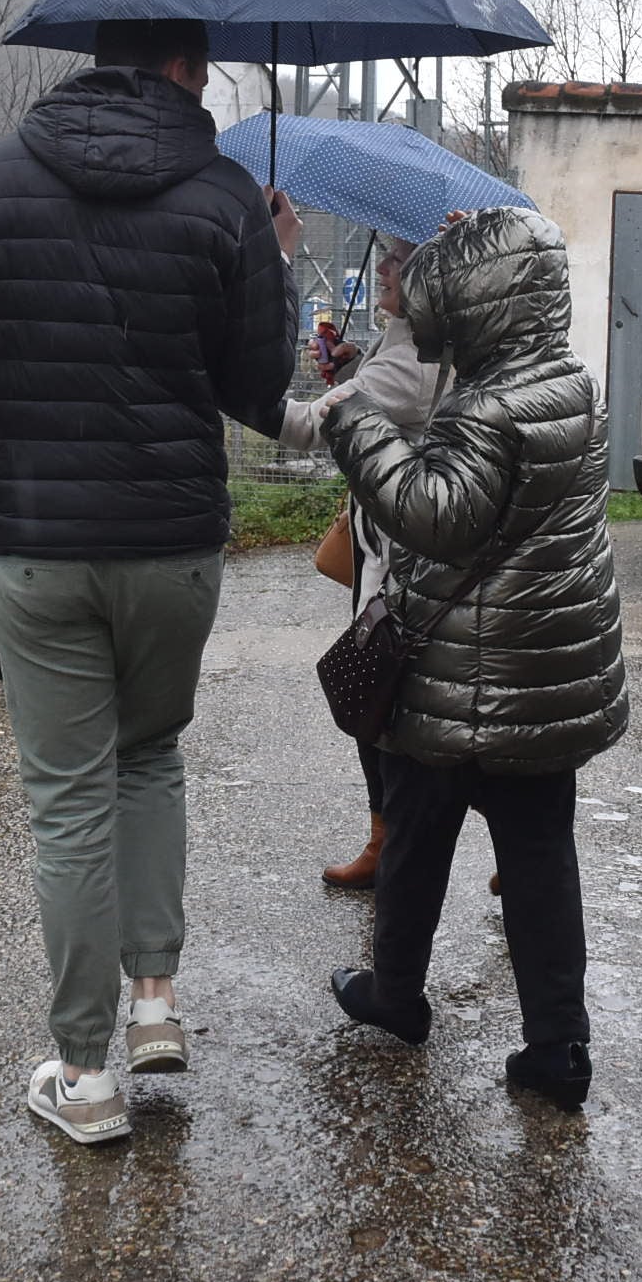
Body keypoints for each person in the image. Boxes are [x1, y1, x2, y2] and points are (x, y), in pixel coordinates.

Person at [0, 16, 299, 1146]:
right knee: (151, 754)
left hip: (37, 542)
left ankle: (83, 1076)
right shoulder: (223, 193)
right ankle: (155, 996)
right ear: (178, 66)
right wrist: (266, 255)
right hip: (170, 540)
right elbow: (256, 387)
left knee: (68, 796)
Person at [318, 206, 625, 1112]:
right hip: (546, 681)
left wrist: (358, 425)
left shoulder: (485, 408)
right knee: (540, 859)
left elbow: (436, 516)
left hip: (455, 678)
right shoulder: (570, 383)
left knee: (416, 842)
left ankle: (394, 995)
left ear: (482, 308)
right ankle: (557, 1045)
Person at [270, 236, 440, 887]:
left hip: (399, 560)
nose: (388, 267)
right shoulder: (401, 338)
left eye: (405, 258)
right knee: (382, 702)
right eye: (389, 256)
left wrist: (232, 387)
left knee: (382, 705)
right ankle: (389, 838)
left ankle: (393, 849)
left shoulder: (417, 355)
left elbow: (312, 426)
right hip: (379, 545)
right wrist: (351, 370)